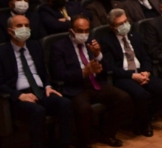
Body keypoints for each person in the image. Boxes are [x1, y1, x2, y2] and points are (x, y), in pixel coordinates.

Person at [49, 16, 131, 148]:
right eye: (80, 31)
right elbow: (59, 74)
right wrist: (83, 72)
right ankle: (84, 143)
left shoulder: (92, 43)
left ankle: (108, 134)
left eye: (87, 30)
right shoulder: (59, 47)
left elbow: (106, 68)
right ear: (71, 31)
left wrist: (98, 54)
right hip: (76, 88)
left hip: (96, 84)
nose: (84, 34)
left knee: (123, 98)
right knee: (84, 109)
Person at [0, 15, 72, 148]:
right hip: (18, 96)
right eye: (19, 26)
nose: (24, 29)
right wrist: (19, 95)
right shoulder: (1, 52)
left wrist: (48, 85)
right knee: (37, 111)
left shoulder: (35, 46)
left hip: (40, 90)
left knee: (64, 103)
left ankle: (64, 144)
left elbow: (43, 72)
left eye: (26, 25)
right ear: (10, 31)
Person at [100, 9, 162, 137]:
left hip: (141, 72)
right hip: (123, 76)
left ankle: (145, 117)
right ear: (112, 28)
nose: (125, 25)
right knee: (141, 94)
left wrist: (147, 72)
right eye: (120, 24)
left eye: (126, 21)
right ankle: (145, 124)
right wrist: (132, 76)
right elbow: (111, 67)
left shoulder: (135, 36)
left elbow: (145, 57)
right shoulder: (106, 41)